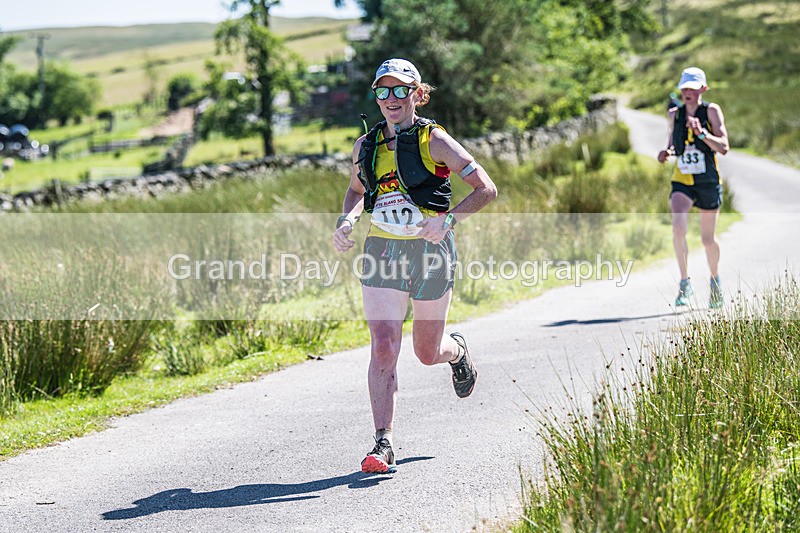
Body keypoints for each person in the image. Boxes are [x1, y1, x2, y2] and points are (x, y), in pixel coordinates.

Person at [332, 58, 497, 474]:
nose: (391, 99)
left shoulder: (434, 140)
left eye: (400, 89)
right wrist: (347, 219)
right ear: (375, 95)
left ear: (416, 93)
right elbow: (355, 190)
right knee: (384, 343)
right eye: (382, 91)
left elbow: (486, 188)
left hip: (430, 251)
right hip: (383, 249)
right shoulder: (365, 146)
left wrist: (447, 220)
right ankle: (382, 443)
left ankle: (456, 351)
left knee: (427, 352)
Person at [657, 67, 729, 309]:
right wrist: (666, 153)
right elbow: (672, 145)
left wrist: (702, 133)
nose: (687, 91)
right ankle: (685, 283)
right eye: (684, 87)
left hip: (707, 180)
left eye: (692, 87)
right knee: (678, 228)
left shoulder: (711, 111)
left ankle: (715, 281)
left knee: (707, 240)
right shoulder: (673, 114)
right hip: (683, 180)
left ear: (703, 89)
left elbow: (724, 147)